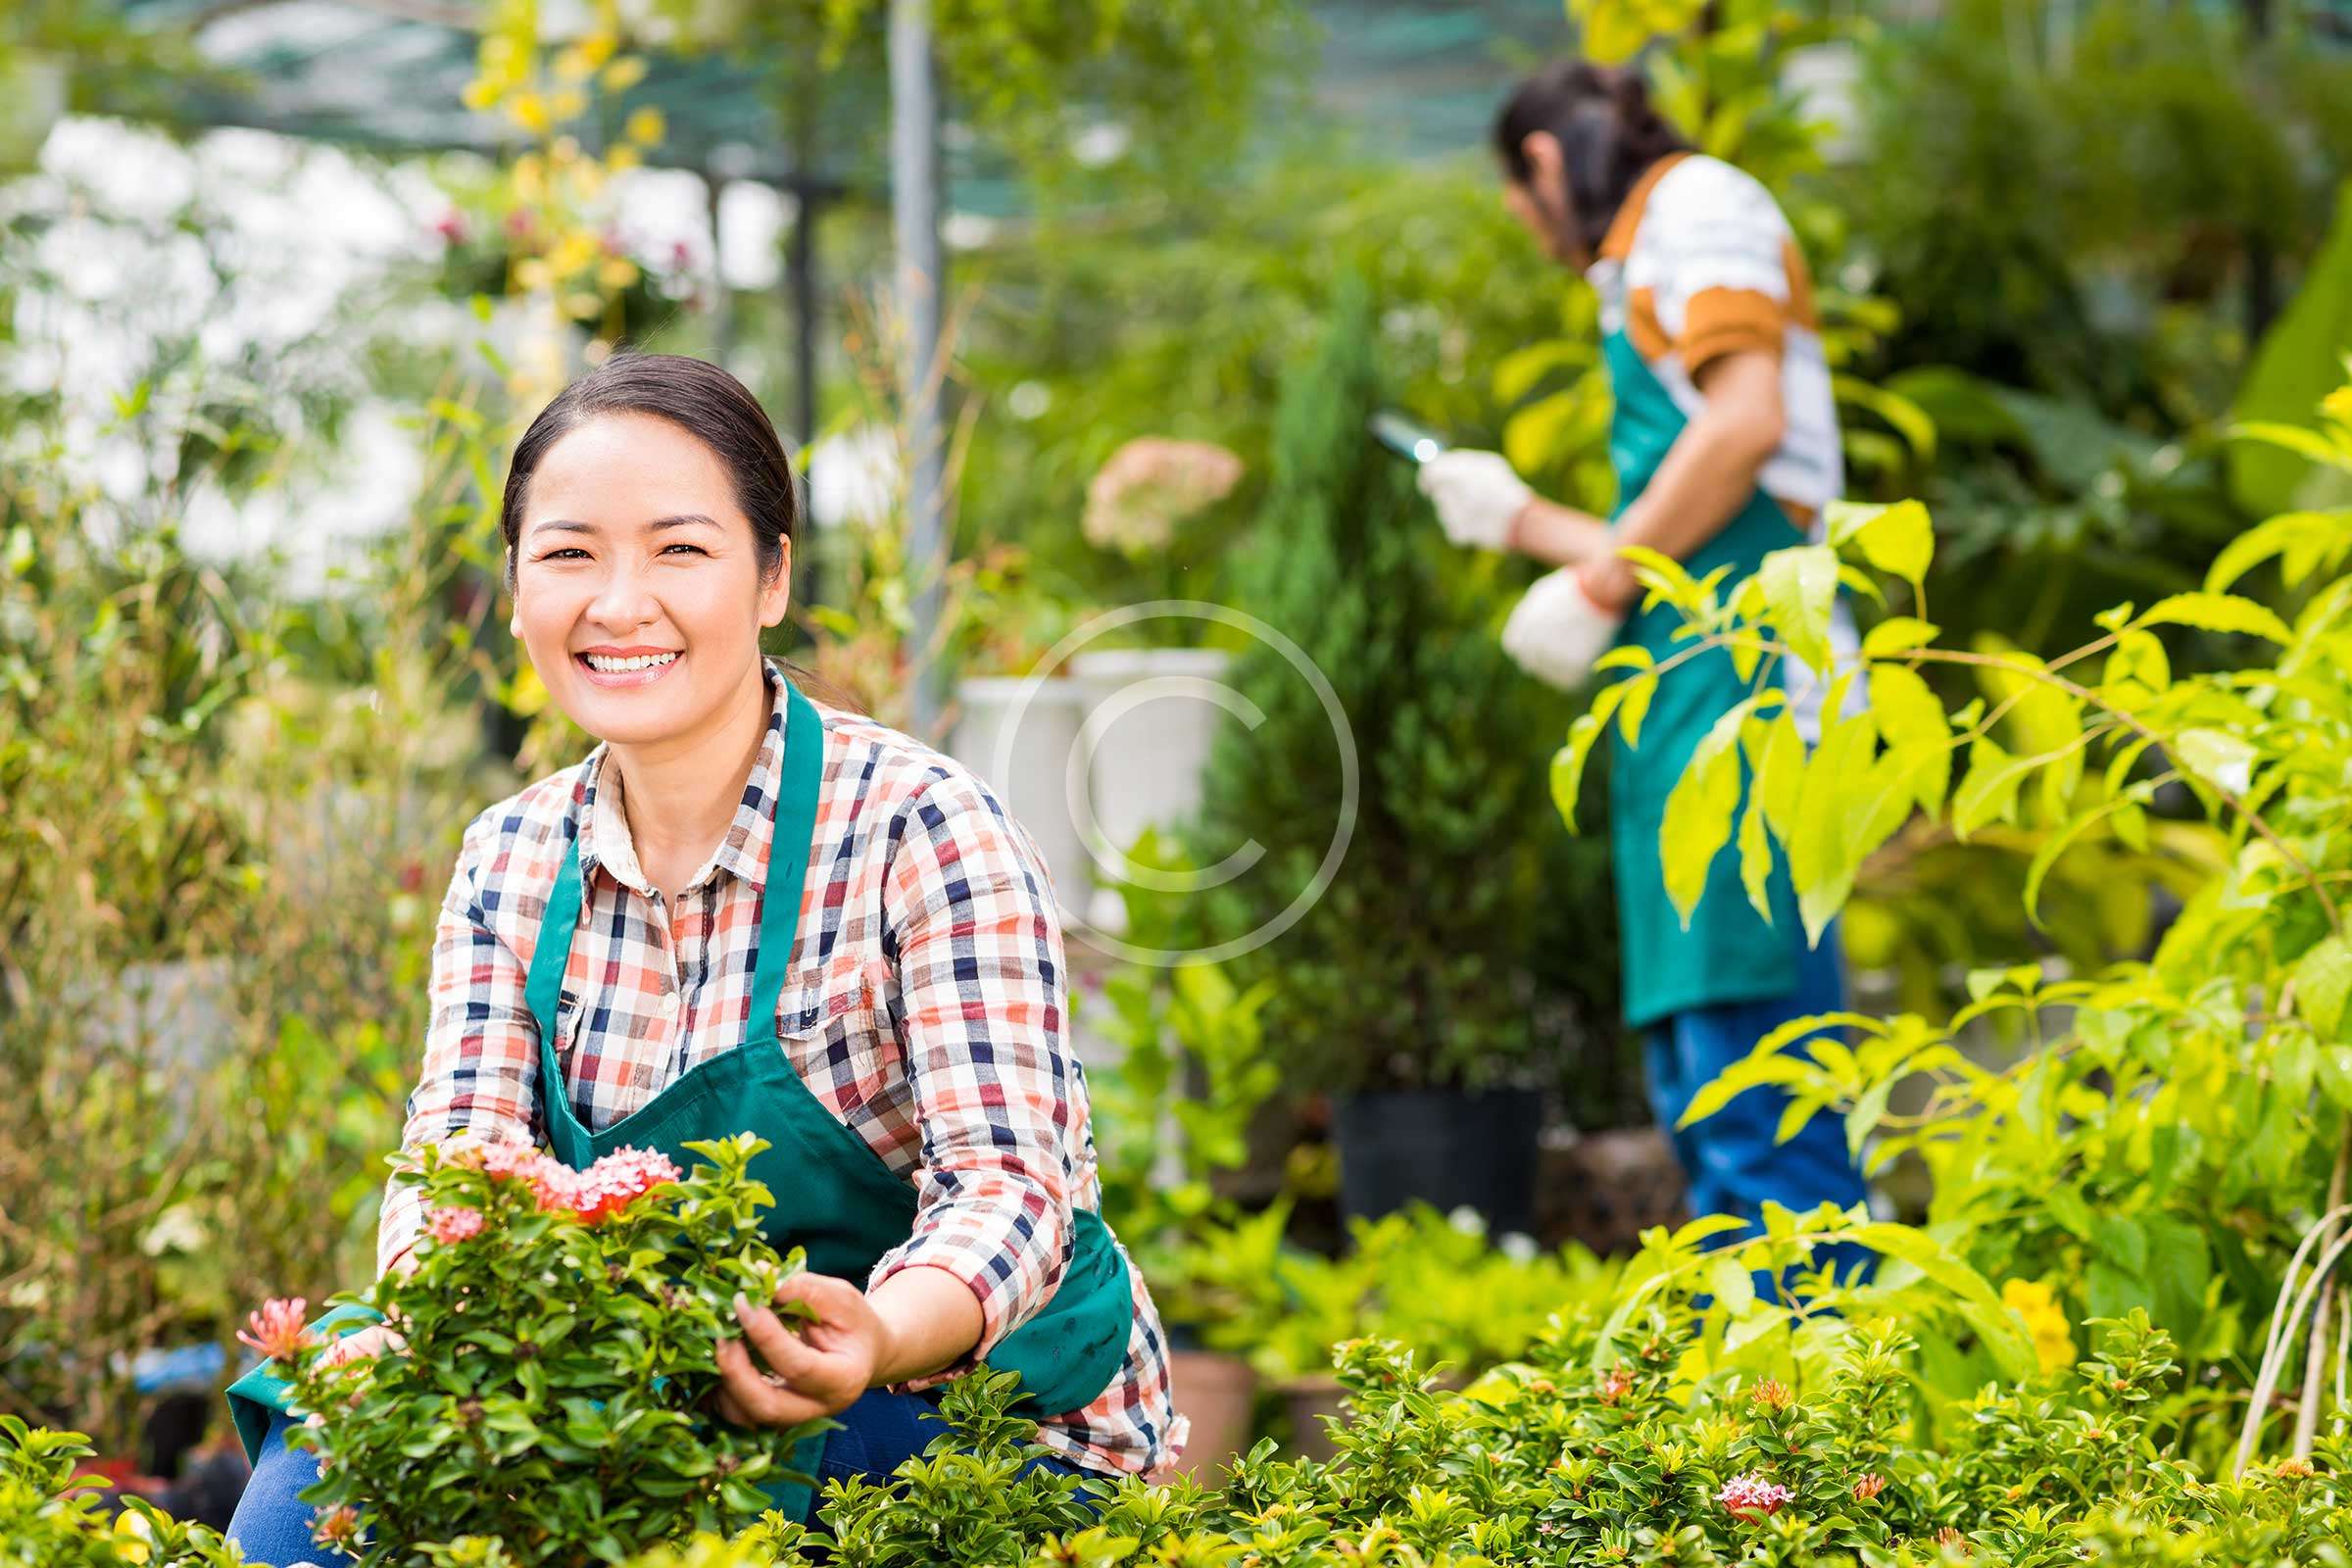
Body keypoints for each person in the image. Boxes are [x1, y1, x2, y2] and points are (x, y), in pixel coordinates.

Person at [225, 354, 1176, 1563]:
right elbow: (455, 1152)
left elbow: (1011, 1191)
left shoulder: (922, 830)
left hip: (953, 1407)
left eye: (681, 549)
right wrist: (435, 1320)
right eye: (569, 553)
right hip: (645, 1386)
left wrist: (873, 1335)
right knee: (314, 1492)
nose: (621, 604)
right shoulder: (512, 858)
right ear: (515, 590)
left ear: (772, 575)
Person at [1416, 62, 1871, 1251]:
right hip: (1690, 691)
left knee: (1764, 1097)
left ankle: (1831, 1406)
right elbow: (1680, 520)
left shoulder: (1695, 205)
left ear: (1550, 163)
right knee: (1702, 1083)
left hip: (1752, 697)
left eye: (1525, 208)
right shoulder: (1644, 261)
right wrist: (1521, 520)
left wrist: (1599, 579)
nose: (1541, 239)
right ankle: (1770, 1411)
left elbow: (1745, 424)